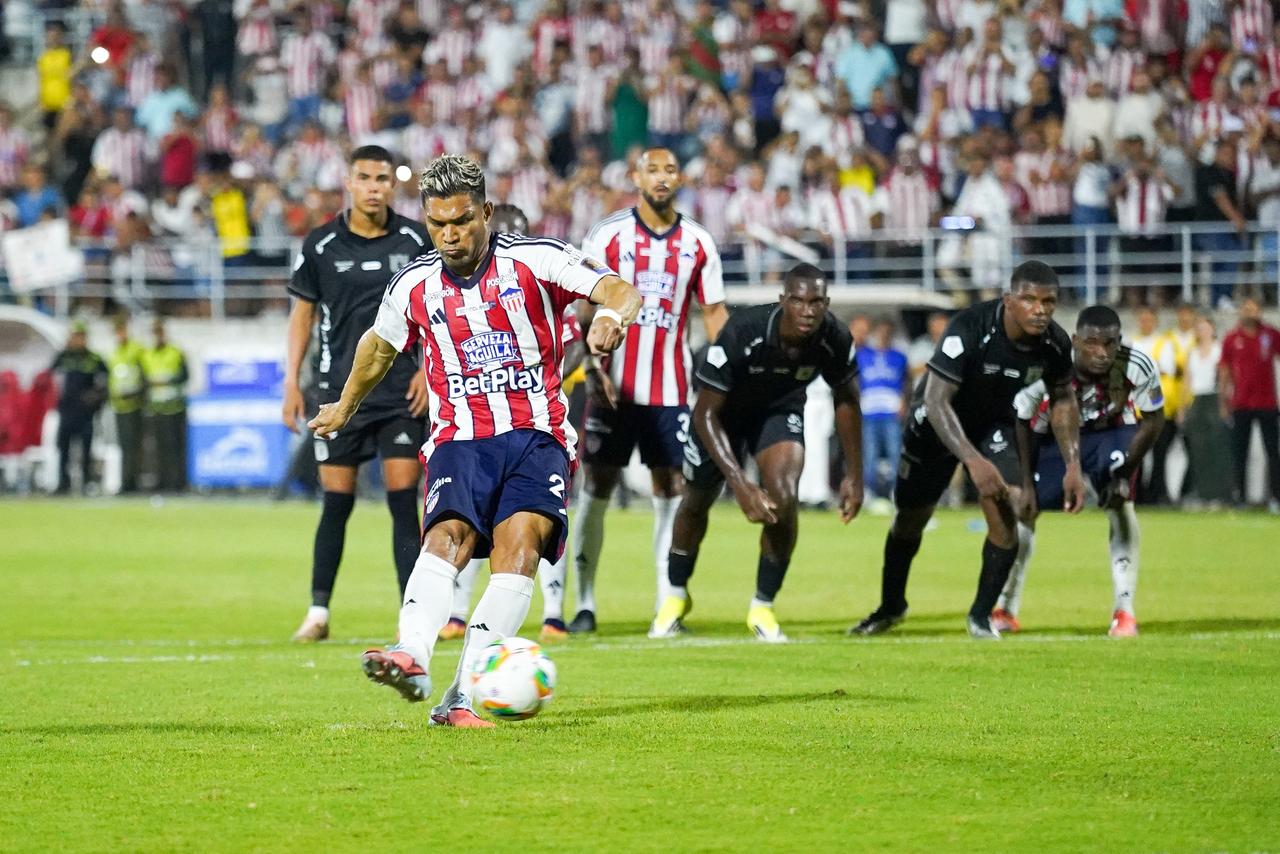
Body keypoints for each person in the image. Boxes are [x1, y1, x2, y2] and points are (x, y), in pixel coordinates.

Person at [310, 154, 640, 728]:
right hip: (460, 437)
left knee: (521, 549)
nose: (450, 235)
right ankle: (411, 653)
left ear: (485, 211)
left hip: (537, 435)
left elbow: (618, 289)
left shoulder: (535, 259)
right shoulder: (414, 282)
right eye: (438, 224)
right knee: (448, 534)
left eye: (461, 220)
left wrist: (612, 317)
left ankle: (461, 695)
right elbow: (379, 347)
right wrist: (344, 404)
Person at [851, 261, 1085, 640]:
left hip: (992, 427)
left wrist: (1073, 463)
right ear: (1009, 301)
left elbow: (1063, 400)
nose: (1039, 309)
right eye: (1029, 300)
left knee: (1011, 505)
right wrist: (972, 462)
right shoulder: (970, 327)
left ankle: (979, 616)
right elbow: (937, 399)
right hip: (935, 424)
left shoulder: (1055, 343)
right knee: (911, 518)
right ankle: (891, 606)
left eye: (1048, 301)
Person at [650, 264, 864, 642]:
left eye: (817, 302)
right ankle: (676, 597)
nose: (808, 310)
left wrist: (855, 475)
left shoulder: (834, 338)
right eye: (798, 301)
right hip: (722, 416)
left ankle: (762, 607)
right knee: (697, 499)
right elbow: (705, 412)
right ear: (783, 301)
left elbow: (847, 399)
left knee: (783, 494)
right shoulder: (743, 330)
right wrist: (739, 483)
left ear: (827, 304)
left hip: (779, 413)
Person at [569, 147, 728, 634]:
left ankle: (667, 605)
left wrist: (728, 374)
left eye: (671, 169)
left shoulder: (698, 242)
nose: (662, 177)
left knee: (670, 491)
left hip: (672, 390)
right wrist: (593, 369)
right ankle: (585, 604)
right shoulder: (608, 234)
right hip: (613, 389)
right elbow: (580, 306)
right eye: (652, 169)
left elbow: (715, 314)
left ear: (681, 177)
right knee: (595, 489)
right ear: (635, 175)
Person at [284, 145, 433, 643]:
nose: (374, 186)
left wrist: (430, 373)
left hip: (399, 394)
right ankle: (318, 612)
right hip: (335, 393)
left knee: (401, 503)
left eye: (383, 178)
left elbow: (438, 310)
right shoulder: (322, 244)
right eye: (365, 177)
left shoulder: (415, 238)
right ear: (349, 183)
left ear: (395, 184)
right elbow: (302, 316)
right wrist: (291, 383)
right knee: (336, 503)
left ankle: (410, 616)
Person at [441, 203, 590, 643]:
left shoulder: (541, 281)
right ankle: (456, 613)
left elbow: (575, 342)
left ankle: (555, 614)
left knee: (544, 513)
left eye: (520, 232)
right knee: (471, 515)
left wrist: (545, 376)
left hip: (542, 419)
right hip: (478, 424)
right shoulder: (461, 290)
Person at [994, 306, 1166, 637]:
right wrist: (1026, 483)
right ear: (1075, 341)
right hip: (1051, 442)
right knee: (1024, 510)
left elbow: (1154, 419)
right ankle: (1006, 605)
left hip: (1109, 435)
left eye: (1110, 344)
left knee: (1119, 502)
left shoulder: (1136, 364)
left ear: (1120, 342)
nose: (1101, 353)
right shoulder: (1045, 366)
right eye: (1091, 344)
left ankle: (1124, 610)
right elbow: (1023, 422)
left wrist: (1124, 474)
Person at [1218, 297, 1280, 510]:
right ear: (1241, 312)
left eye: (1254, 309)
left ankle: (1275, 498)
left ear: (1260, 312)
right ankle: (1240, 498)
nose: (1250, 313)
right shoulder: (1232, 338)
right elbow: (1224, 371)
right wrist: (1223, 401)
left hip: (1268, 403)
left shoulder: (1270, 335)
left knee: (1273, 452)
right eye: (1246, 309)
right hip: (1241, 403)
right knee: (1239, 453)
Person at [50, 321, 107, 495]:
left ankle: (87, 483)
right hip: (66, 411)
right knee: (63, 449)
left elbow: (104, 384)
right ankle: (63, 483)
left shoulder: (94, 359)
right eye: (74, 336)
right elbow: (50, 377)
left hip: (85, 413)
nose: (76, 340)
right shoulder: (63, 357)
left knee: (86, 449)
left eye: (79, 336)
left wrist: (95, 398)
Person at [1183, 315, 1235, 506]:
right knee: (1199, 450)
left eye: (1205, 327)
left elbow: (1225, 377)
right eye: (1199, 328)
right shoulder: (1193, 352)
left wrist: (1223, 403)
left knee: (1218, 449)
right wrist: (1183, 407)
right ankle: (1203, 492)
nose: (1202, 331)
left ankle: (1222, 493)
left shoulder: (1219, 349)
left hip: (1214, 398)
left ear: (1212, 329)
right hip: (1197, 400)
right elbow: (1187, 381)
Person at [857, 317, 910, 505]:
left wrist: (904, 402)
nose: (883, 336)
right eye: (881, 332)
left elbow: (906, 382)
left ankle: (897, 493)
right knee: (869, 455)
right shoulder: (862, 355)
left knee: (896, 454)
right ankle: (869, 493)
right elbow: (855, 382)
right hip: (869, 411)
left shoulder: (899, 357)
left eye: (887, 332)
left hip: (891, 412)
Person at [140, 318, 189, 492]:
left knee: (175, 447)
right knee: (158, 448)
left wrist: (167, 381)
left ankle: (177, 482)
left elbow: (184, 376)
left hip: (174, 406)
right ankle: (161, 481)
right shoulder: (147, 354)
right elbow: (143, 378)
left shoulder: (175, 352)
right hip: (157, 407)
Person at [107, 316, 146, 494]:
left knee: (133, 446)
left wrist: (138, 393)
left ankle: (133, 482)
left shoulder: (135, 350)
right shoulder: (116, 352)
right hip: (119, 405)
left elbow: (143, 374)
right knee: (124, 446)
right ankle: (126, 481)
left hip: (134, 404)